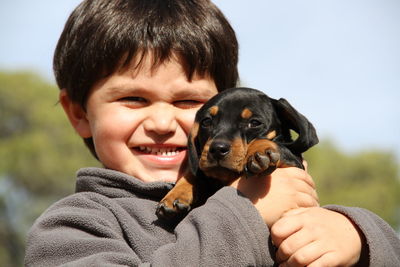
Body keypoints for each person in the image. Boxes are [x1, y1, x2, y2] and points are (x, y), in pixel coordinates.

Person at [25, 0, 400, 266]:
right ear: (79, 114)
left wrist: (359, 239)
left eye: (189, 102)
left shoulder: (266, 185)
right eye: (134, 98)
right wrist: (247, 211)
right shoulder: (73, 226)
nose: (161, 122)